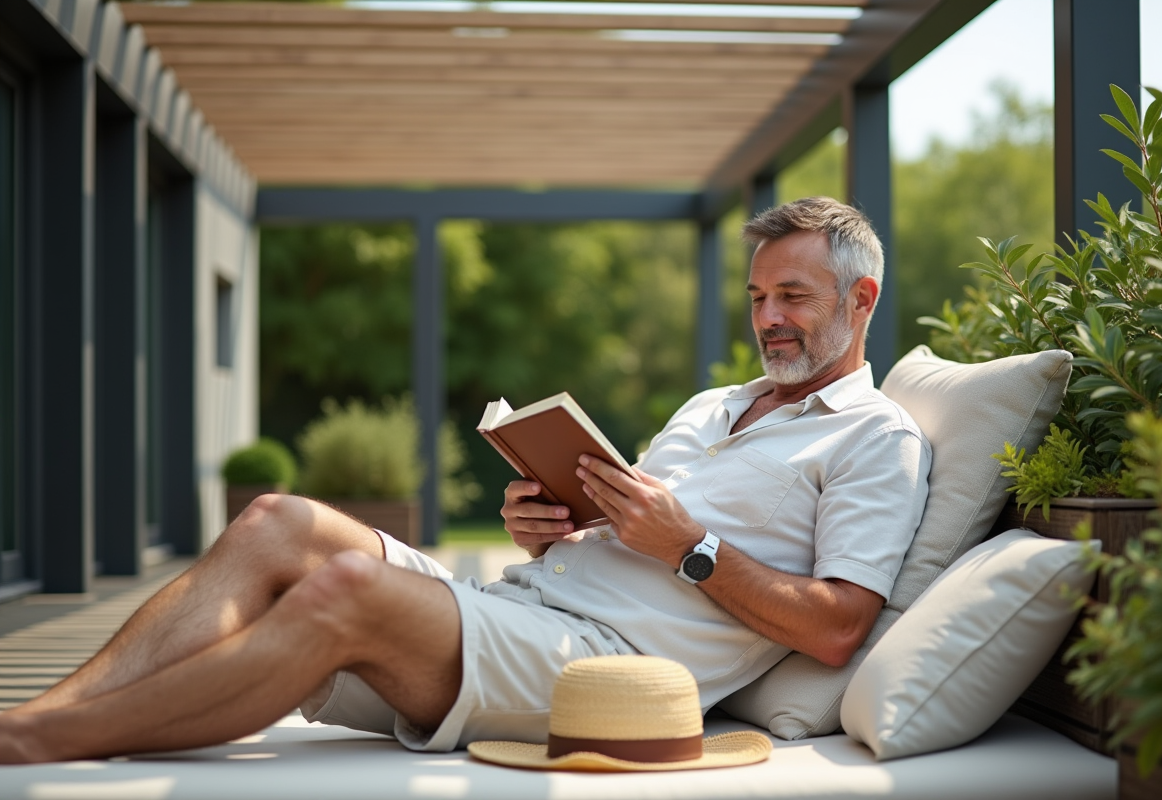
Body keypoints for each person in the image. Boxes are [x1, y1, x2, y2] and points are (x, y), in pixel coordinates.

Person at [0, 196, 930, 764]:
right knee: (278, 521)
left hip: (599, 664)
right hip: (517, 605)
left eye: (793, 296)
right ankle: (43, 712)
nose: (768, 319)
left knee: (346, 588)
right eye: (759, 296)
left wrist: (689, 547)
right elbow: (631, 533)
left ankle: (39, 742)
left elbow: (839, 626)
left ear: (862, 299)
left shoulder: (875, 437)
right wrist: (559, 521)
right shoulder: (713, 404)